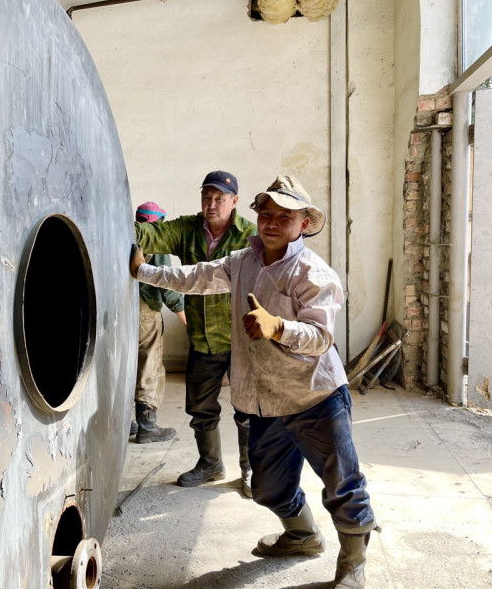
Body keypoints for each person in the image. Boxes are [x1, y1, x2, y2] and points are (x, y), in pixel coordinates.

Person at [130, 176, 378, 589]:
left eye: (285, 216)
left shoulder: (312, 272)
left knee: (343, 485)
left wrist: (278, 327)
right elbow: (196, 277)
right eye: (266, 214)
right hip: (267, 402)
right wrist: (144, 271)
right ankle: (302, 535)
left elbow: (321, 337)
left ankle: (353, 564)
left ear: (303, 224)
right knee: (267, 488)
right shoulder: (242, 261)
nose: (272, 222)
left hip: (315, 397)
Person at [134, 171, 257, 496]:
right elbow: (152, 234)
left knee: (248, 411)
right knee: (201, 408)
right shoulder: (188, 229)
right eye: (206, 197)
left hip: (242, 340)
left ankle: (251, 470)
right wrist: (121, 225)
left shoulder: (250, 236)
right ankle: (210, 464)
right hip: (203, 339)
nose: (211, 204)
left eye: (219, 198)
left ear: (234, 201)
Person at [132, 202, 187, 443]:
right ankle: (147, 427)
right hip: (145, 312)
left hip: (121, 313)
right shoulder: (155, 241)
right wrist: (185, 318)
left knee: (128, 366)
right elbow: (167, 284)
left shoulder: (126, 238)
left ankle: (125, 424)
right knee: (149, 365)